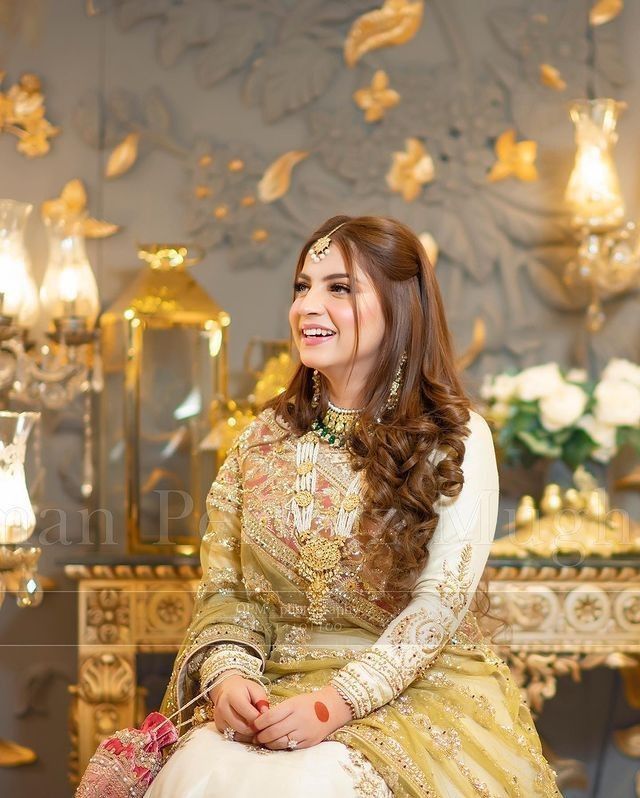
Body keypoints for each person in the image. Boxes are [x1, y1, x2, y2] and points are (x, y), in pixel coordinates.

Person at [147, 215, 561, 797]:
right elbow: (228, 593)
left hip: (407, 695)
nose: (307, 306)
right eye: (302, 287)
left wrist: (334, 704)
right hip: (271, 694)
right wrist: (227, 677)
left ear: (401, 306)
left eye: (339, 288)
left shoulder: (455, 440)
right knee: (198, 776)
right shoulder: (261, 440)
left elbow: (437, 607)